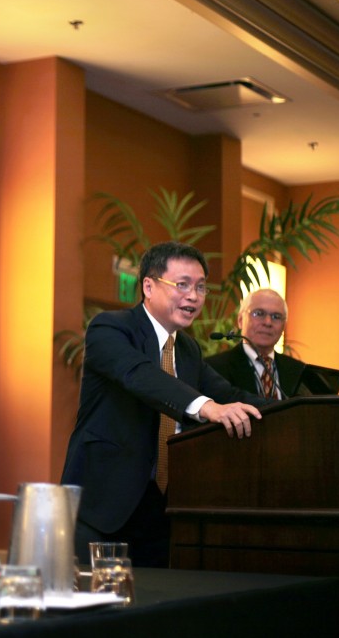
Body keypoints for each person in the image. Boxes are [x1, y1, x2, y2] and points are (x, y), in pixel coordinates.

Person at [60, 241, 267, 567]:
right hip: (102, 507)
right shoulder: (110, 328)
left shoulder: (187, 350)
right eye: (182, 285)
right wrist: (206, 406)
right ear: (148, 286)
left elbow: (231, 395)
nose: (194, 296)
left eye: (200, 287)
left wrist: (303, 410)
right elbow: (140, 376)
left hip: (163, 510)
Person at [206, 288, 304, 399]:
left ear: (284, 326)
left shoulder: (298, 370)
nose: (268, 322)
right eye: (259, 313)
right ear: (240, 320)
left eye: (276, 317)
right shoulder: (214, 368)